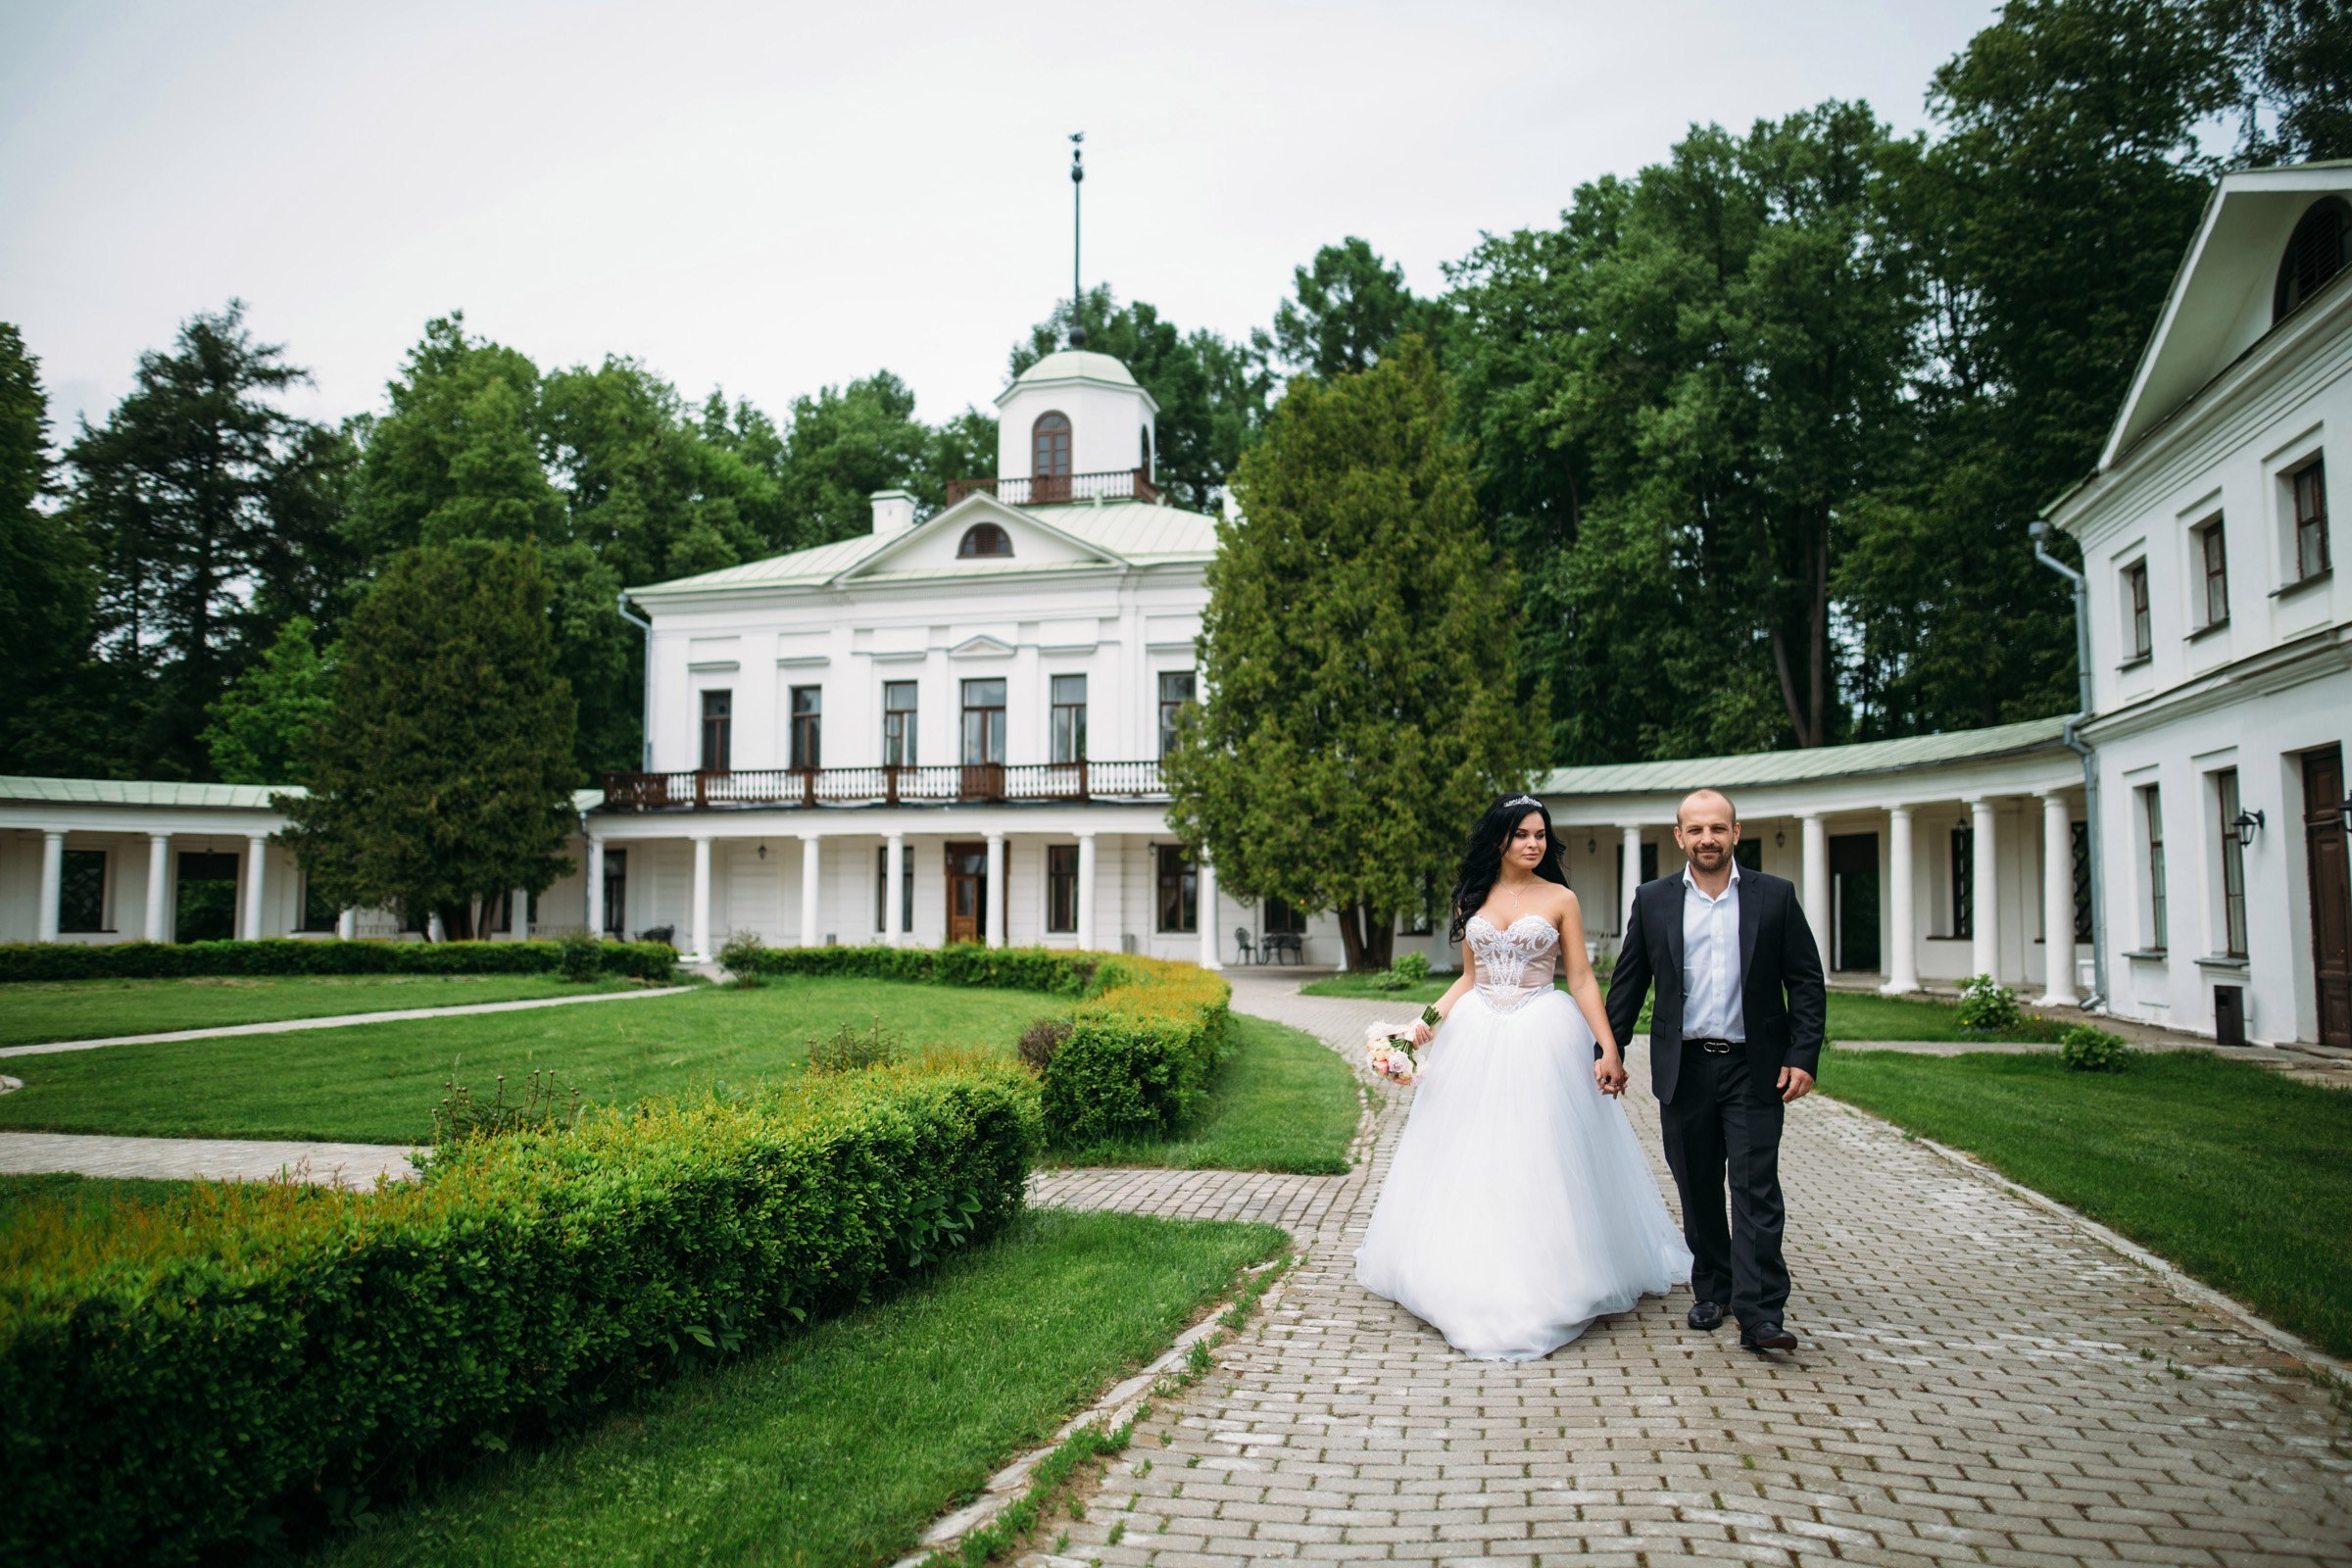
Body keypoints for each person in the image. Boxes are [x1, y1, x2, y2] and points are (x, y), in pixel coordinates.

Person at [1353, 794, 1691, 1360]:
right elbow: (1469, 978)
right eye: (1523, 835)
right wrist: (1421, 1028)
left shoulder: (1561, 898)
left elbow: (1581, 979)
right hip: (1478, 1032)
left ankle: (1556, 1273)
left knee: (1542, 1152)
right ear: (1499, 840)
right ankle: (1463, 1267)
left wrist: (1607, 1046)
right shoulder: (1472, 897)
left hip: (1543, 1030)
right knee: (1469, 1150)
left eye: (1540, 835)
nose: (1534, 844)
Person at [1604, 787, 1826, 1354]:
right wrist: (1610, 1048)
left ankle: (1760, 1313)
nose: (1708, 839)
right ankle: (1713, 1287)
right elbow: (1629, 982)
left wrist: (1802, 1055)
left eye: (1718, 829)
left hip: (1754, 1069)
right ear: (1679, 837)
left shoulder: (1773, 897)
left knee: (1754, 1190)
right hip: (1684, 1068)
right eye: (1696, 830)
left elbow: (1804, 980)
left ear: (1736, 833)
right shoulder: (1653, 900)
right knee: (1698, 1185)